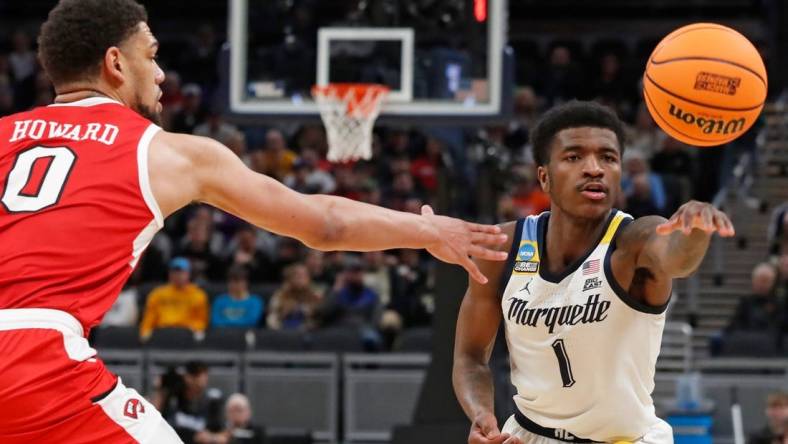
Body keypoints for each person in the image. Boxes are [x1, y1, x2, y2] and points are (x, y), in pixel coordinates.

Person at [0, 1, 507, 442]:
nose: (159, 74)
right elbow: (322, 223)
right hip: (37, 357)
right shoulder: (168, 153)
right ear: (115, 63)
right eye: (151, 56)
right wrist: (427, 230)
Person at [453, 101, 735, 444]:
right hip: (527, 435)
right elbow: (470, 356)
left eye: (608, 158)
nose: (594, 169)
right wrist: (482, 414)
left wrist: (694, 229)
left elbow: (677, 260)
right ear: (544, 176)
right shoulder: (501, 247)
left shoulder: (634, 241)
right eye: (574, 157)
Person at [139, 257, 210, 342]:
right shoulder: (157, 294)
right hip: (162, 334)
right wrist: (145, 331)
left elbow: (201, 320)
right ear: (169, 274)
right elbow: (149, 317)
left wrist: (197, 329)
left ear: (188, 274)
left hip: (187, 334)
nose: (177, 275)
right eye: (174, 272)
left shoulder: (198, 295)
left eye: (181, 272)